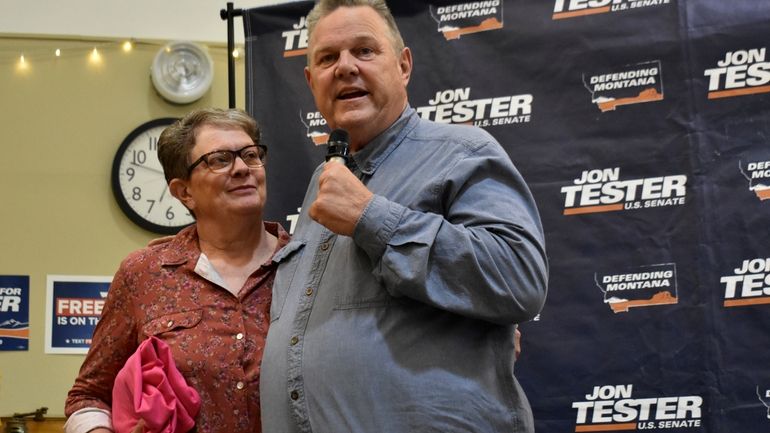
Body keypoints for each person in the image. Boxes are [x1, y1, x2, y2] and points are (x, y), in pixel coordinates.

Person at [259, 1, 548, 432]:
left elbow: (519, 277)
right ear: (310, 80)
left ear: (404, 65)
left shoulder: (463, 152)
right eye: (327, 58)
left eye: (364, 50)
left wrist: (369, 215)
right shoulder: (325, 177)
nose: (345, 67)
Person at [64, 108, 289, 433]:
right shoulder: (144, 273)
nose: (242, 168)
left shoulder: (306, 263)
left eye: (250, 155)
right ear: (184, 192)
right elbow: (89, 395)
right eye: (220, 159)